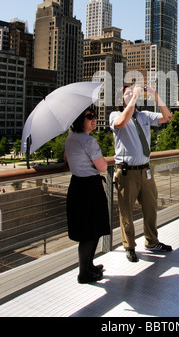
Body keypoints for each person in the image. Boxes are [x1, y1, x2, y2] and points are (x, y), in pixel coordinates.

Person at [109, 84, 173, 262]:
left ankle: (152, 241)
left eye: (133, 92)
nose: (131, 94)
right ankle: (129, 246)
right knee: (126, 212)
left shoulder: (143, 116)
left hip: (145, 170)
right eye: (127, 93)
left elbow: (168, 117)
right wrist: (135, 98)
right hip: (127, 173)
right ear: (120, 99)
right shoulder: (115, 115)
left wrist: (155, 95)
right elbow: (121, 123)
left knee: (151, 208)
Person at [64, 107, 110, 284]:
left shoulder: (70, 138)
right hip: (90, 188)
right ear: (79, 120)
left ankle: (89, 266)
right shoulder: (88, 141)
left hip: (76, 186)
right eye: (89, 117)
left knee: (91, 229)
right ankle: (84, 273)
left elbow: (67, 159)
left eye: (95, 116)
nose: (94, 120)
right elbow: (103, 167)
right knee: (89, 232)